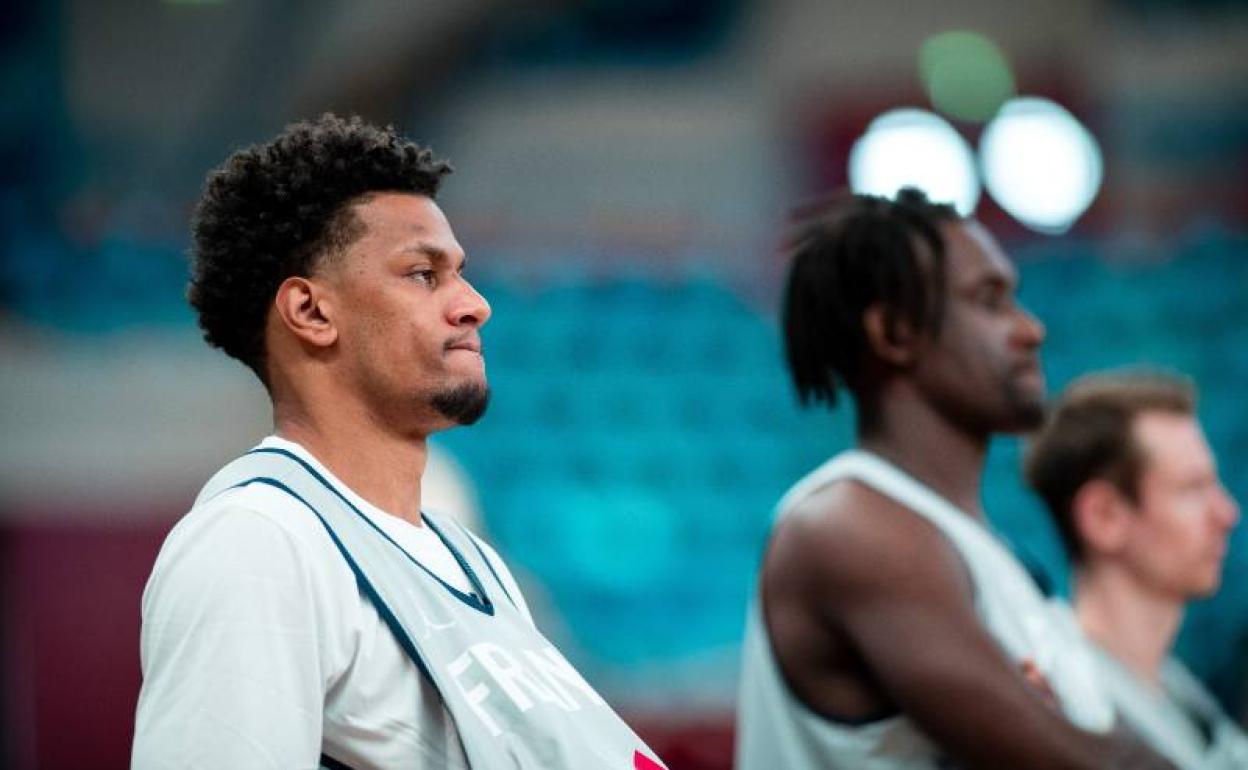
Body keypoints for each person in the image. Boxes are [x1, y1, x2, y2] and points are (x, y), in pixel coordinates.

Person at [132, 114, 665, 770]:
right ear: (311, 312)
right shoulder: (257, 543)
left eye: (461, 273)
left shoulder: (474, 562)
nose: (474, 304)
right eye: (423, 274)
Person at [735, 188, 1178, 769]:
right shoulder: (850, 527)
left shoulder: (989, 554)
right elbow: (1095, 763)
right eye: (990, 300)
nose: (1031, 329)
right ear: (893, 332)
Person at [1025, 371, 1248, 769]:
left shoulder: (1176, 692)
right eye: (1192, 489)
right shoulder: (1067, 709)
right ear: (1104, 517)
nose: (1227, 514)